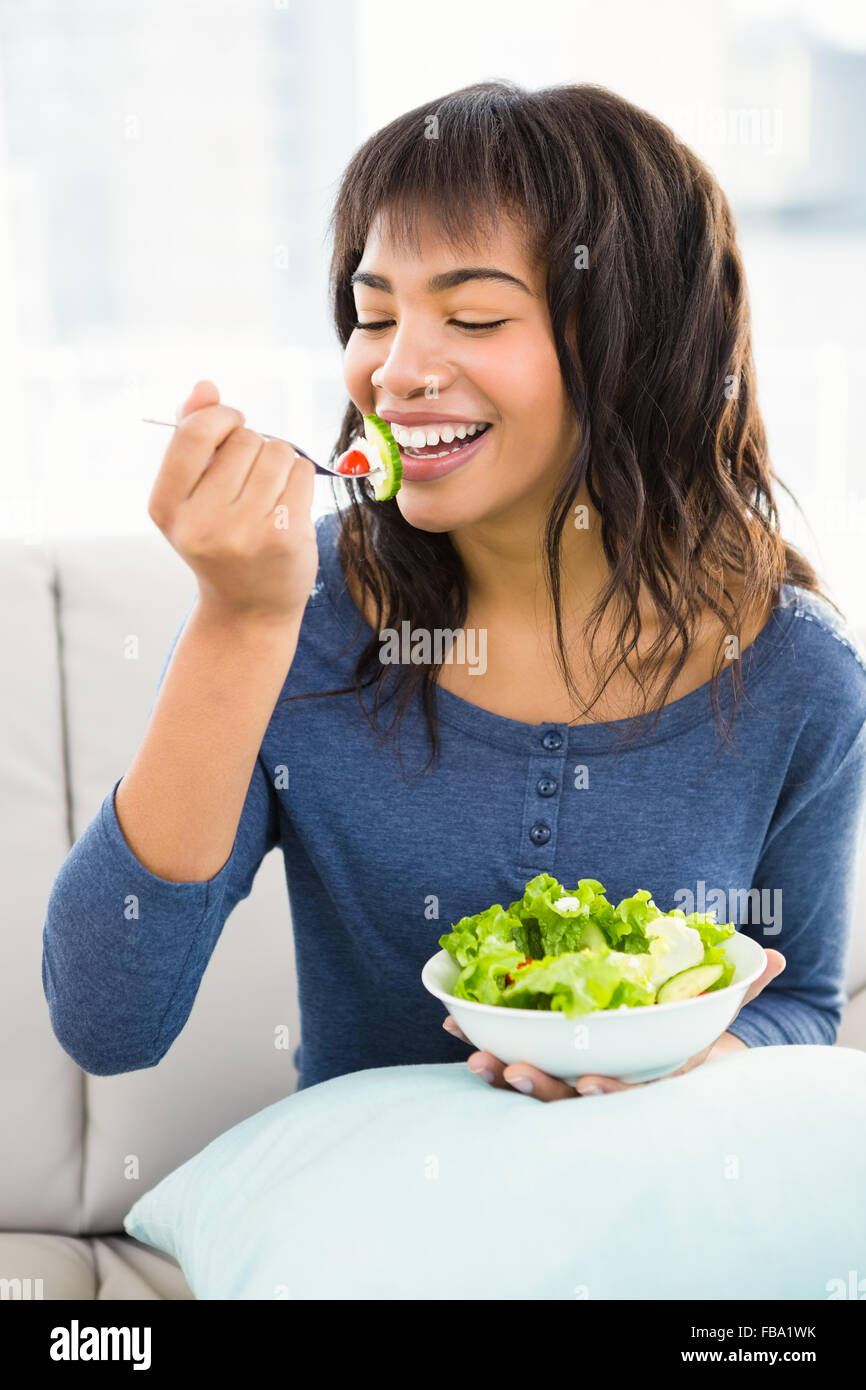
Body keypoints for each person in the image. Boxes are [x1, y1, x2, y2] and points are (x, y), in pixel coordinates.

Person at [43, 81, 866, 1101]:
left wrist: (684, 1065)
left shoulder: (795, 672)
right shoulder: (300, 614)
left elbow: (799, 999)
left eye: (472, 316)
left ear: (636, 344)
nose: (393, 372)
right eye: (372, 314)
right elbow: (104, 1020)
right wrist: (237, 619)